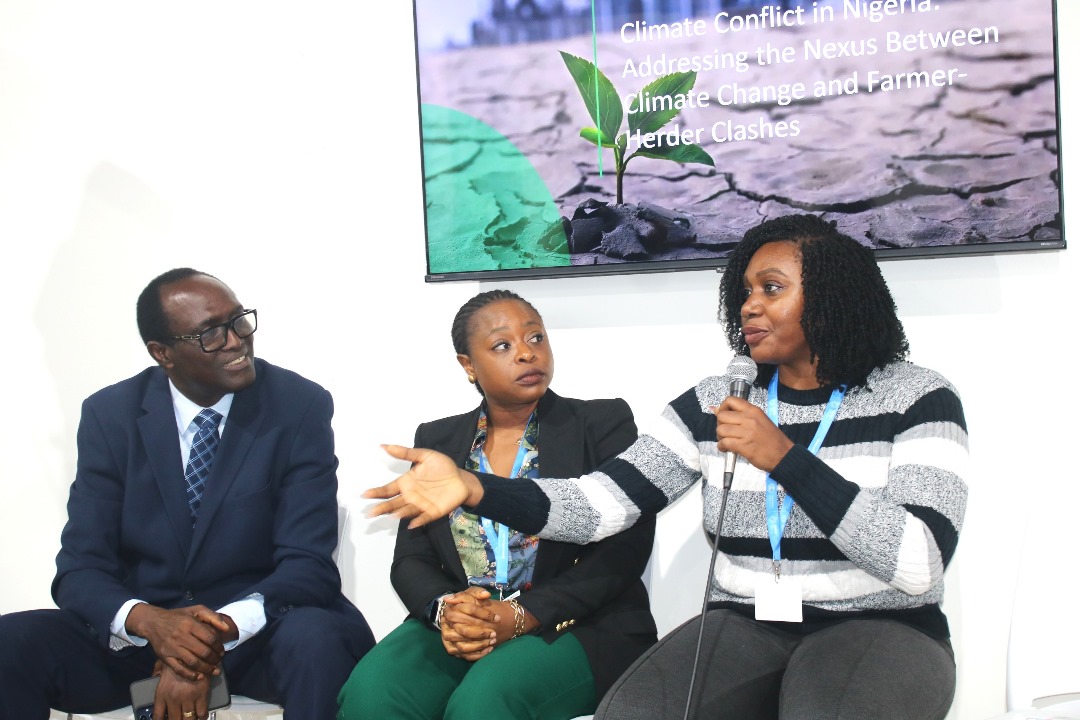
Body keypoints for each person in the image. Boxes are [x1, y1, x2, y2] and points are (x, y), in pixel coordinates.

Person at [367, 215, 969, 720]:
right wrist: (477, 487)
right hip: (747, 624)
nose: (749, 306)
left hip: (883, 625)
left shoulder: (917, 398)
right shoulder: (716, 400)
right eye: (745, 292)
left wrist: (784, 459)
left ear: (833, 295)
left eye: (771, 289)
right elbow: (599, 504)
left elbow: (917, 562)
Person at [0, 268, 375, 720]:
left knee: (319, 639)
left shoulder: (298, 405)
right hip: (140, 643)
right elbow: (80, 569)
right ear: (163, 353)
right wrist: (152, 624)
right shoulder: (110, 415)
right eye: (210, 334)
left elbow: (307, 564)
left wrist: (208, 638)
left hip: (257, 634)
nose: (236, 340)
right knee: (11, 644)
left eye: (239, 321)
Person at [337, 289, 657, 720]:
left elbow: (624, 553)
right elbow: (411, 561)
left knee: (483, 703)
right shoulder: (439, 441)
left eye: (536, 338)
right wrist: (446, 610)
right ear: (468, 366)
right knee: (371, 695)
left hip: (576, 623)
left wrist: (521, 615)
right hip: (464, 620)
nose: (526, 354)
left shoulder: (601, 423)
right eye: (503, 345)